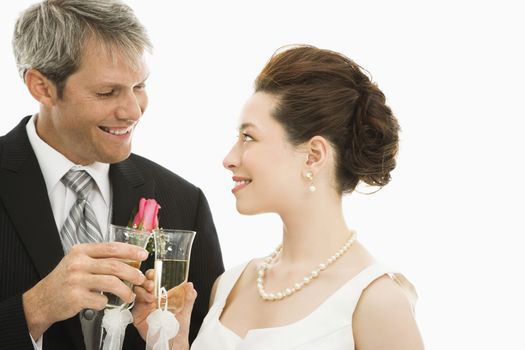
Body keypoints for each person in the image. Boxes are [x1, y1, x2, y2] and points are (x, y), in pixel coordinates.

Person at [135, 44, 424, 349]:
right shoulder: (231, 285)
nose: (230, 158)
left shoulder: (376, 301)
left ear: (313, 156)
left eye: (249, 137)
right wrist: (171, 342)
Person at [0, 1, 224, 349]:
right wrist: (36, 308)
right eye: (107, 92)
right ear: (41, 87)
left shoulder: (184, 200)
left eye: (139, 86)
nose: (133, 111)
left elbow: (206, 341)